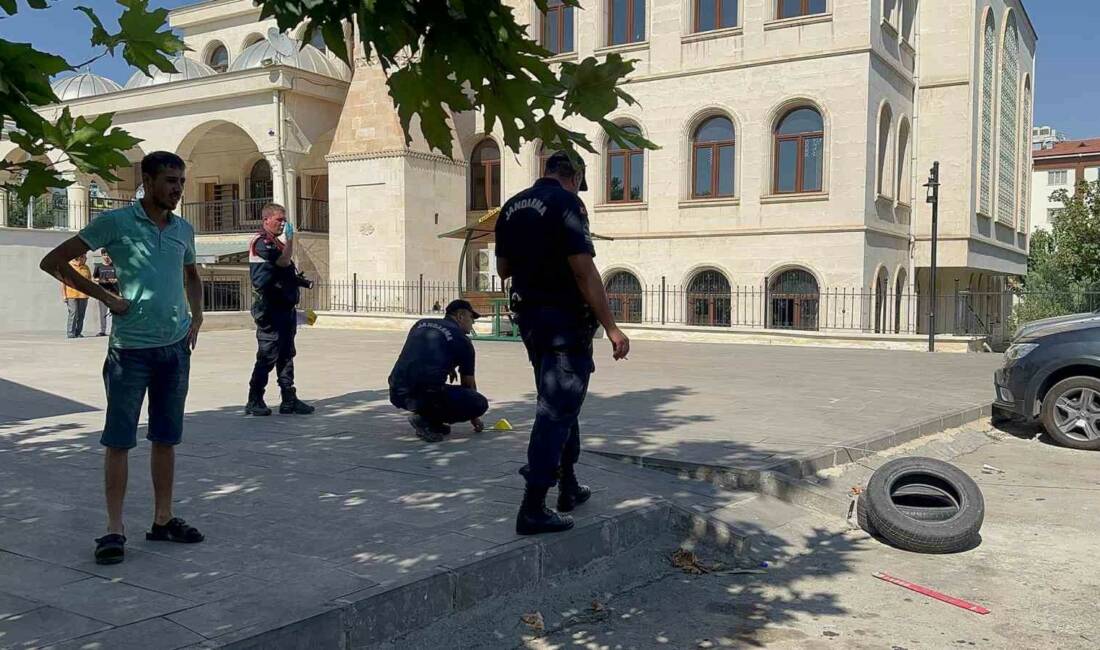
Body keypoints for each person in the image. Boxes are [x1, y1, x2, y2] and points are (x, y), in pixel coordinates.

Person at [39, 151, 205, 565]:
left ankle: (163, 519)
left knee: (166, 438)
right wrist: (106, 297)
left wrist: (196, 317)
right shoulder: (115, 223)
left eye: (181, 181)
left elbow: (191, 274)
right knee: (119, 440)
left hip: (174, 350)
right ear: (146, 181)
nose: (177, 188)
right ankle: (114, 529)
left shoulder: (183, 228)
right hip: (130, 353)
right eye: (169, 180)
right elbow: (53, 260)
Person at [495, 151, 631, 536]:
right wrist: (613, 327)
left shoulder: (511, 206)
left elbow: (504, 269)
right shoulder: (568, 203)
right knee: (555, 410)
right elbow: (583, 269)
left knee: (560, 401)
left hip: (531, 323)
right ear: (574, 176)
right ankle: (533, 505)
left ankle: (568, 485)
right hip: (564, 323)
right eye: (579, 182)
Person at [245, 203, 314, 416]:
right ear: (266, 220)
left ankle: (289, 399)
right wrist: (291, 240)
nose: (283, 223)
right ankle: (254, 399)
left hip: (284, 309)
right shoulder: (261, 242)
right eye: (279, 220)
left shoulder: (274, 242)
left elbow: (285, 271)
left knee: (286, 355)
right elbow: (283, 262)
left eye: (284, 220)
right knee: (267, 355)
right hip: (269, 310)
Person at [388, 299, 489, 442]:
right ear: (460, 316)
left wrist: (448, 367)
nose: (473, 323)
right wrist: (474, 418)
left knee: (432, 386)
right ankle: (424, 419)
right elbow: (469, 384)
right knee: (478, 402)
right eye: (471, 318)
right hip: (424, 396)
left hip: (397, 391)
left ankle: (432, 422)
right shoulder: (463, 341)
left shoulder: (421, 324)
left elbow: (421, 356)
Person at [62, 253, 92, 338]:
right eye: (84, 257)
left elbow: (90, 281)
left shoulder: (86, 268)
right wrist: (64, 295)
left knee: (81, 314)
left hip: (83, 295)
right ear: (79, 258)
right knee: (73, 312)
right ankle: (70, 332)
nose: (86, 258)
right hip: (71, 294)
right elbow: (63, 282)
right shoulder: (69, 267)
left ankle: (78, 332)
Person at [92, 250, 119, 337]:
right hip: (102, 293)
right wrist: (100, 280)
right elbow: (94, 278)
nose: (106, 257)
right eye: (104, 255)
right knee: (102, 313)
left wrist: (115, 280)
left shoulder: (115, 266)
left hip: (114, 293)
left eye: (108, 255)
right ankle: (102, 330)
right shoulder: (99, 267)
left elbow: (120, 278)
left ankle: (114, 330)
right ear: (102, 256)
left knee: (114, 313)